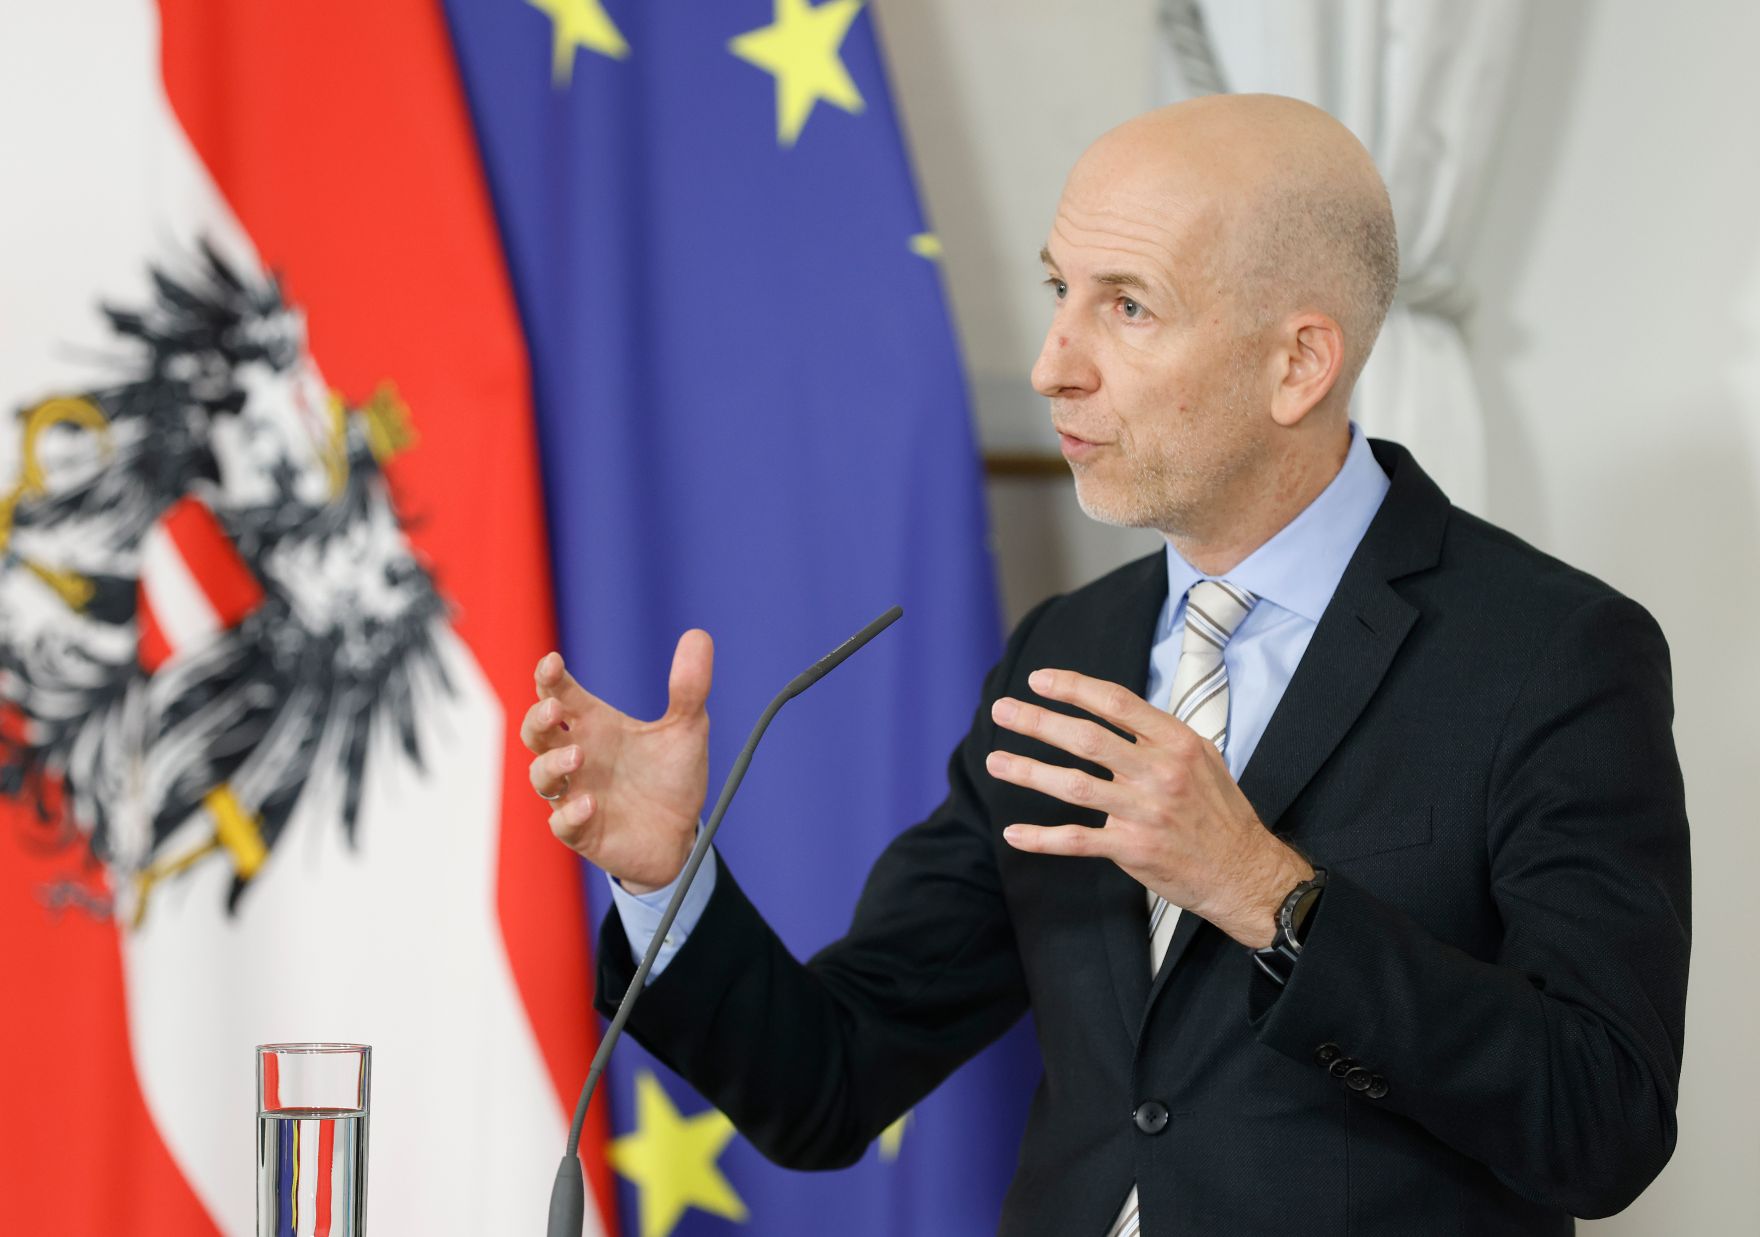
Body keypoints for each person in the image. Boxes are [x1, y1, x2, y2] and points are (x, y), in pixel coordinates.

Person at [521, 94, 1690, 1235]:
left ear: (1298, 364)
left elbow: (1601, 1120)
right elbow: (828, 1078)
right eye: (1057, 291)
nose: (1050, 366)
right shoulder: (1066, 653)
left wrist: (1265, 892)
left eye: (1126, 306)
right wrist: (666, 878)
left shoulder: (1549, 652)